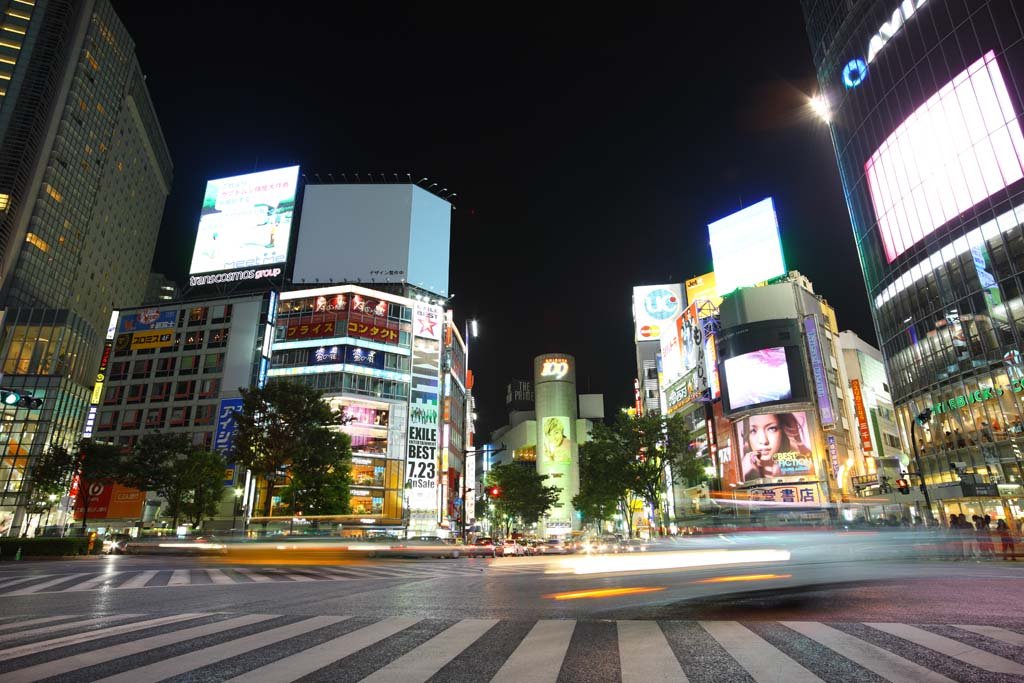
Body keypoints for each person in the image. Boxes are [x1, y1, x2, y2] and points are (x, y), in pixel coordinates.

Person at [741, 413, 811, 481]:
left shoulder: (805, 466)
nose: (763, 441)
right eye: (753, 431)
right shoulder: (739, 471)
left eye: (772, 429)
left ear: (783, 431)